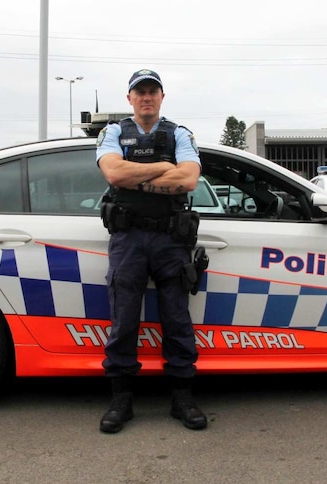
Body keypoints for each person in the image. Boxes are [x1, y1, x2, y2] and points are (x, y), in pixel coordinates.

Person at [95, 69, 207, 433]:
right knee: (124, 318)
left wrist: (136, 175)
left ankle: (182, 399)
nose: (146, 97)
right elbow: (114, 175)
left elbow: (188, 179)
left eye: (152, 91)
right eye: (139, 92)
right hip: (128, 239)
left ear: (161, 97)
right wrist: (162, 167)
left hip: (170, 240)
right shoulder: (113, 132)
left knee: (176, 318)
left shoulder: (179, 134)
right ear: (129, 98)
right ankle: (121, 401)